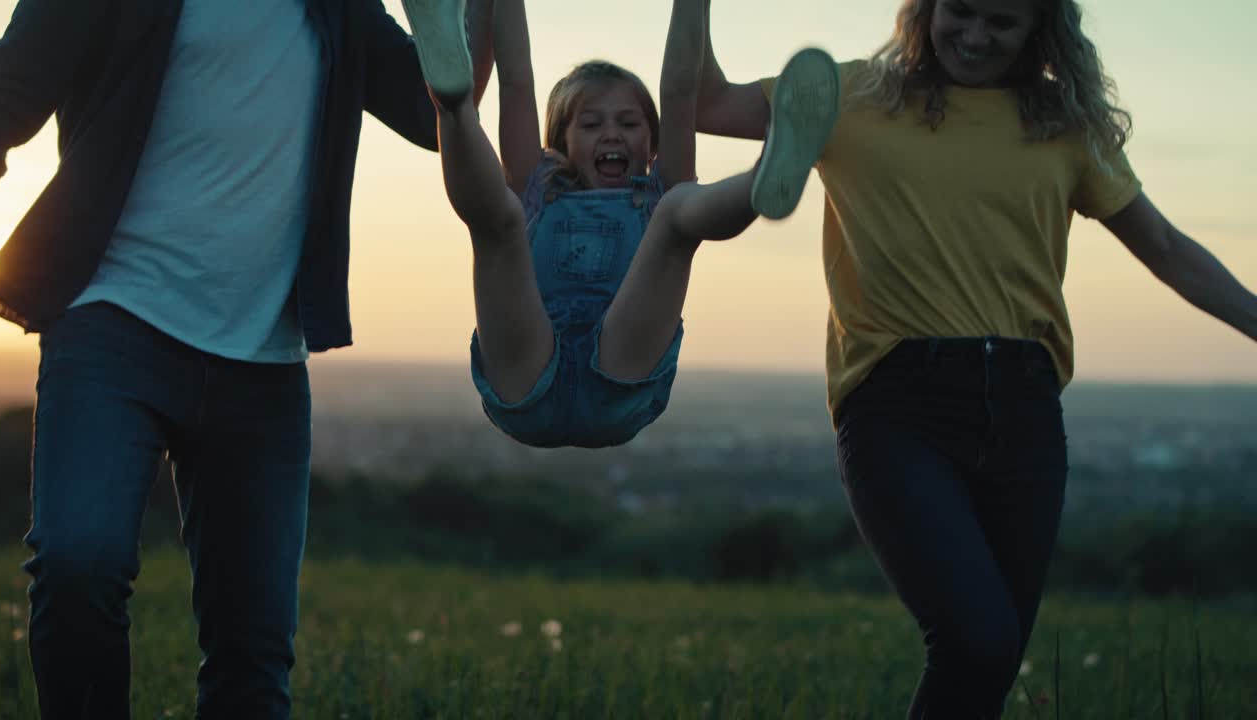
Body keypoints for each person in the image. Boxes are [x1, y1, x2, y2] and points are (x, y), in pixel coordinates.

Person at [693, 0, 1257, 717]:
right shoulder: (852, 96)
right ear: (925, 12)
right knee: (978, 643)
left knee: (987, 667)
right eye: (959, 13)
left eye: (1001, 22)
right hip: (898, 405)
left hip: (1026, 410)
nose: (975, 36)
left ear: (1038, 30)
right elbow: (706, 102)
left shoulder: (1064, 125)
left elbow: (1172, 254)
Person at [0, 1, 464, 717]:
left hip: (263, 358)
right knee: (77, 562)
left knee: (253, 654)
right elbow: (2, 98)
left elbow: (435, 111)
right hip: (114, 319)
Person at [401, 0, 839, 448]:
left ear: (653, 142)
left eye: (629, 123)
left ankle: (762, 180)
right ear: (560, 141)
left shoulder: (657, 192)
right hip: (526, 365)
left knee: (675, 211)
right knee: (500, 219)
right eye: (591, 124)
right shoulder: (536, 184)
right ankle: (452, 102)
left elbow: (680, 92)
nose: (612, 133)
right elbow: (516, 80)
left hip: (617, 373)